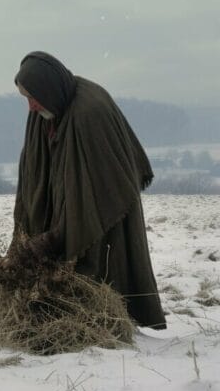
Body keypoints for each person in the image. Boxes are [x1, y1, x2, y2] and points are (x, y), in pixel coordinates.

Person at [12, 51, 166, 329]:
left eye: (32, 98)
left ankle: (104, 319)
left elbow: (94, 189)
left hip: (107, 205)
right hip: (68, 201)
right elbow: (34, 172)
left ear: (47, 88)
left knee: (104, 261)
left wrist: (55, 237)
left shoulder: (90, 112)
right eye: (26, 98)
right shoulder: (49, 106)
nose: (31, 107)